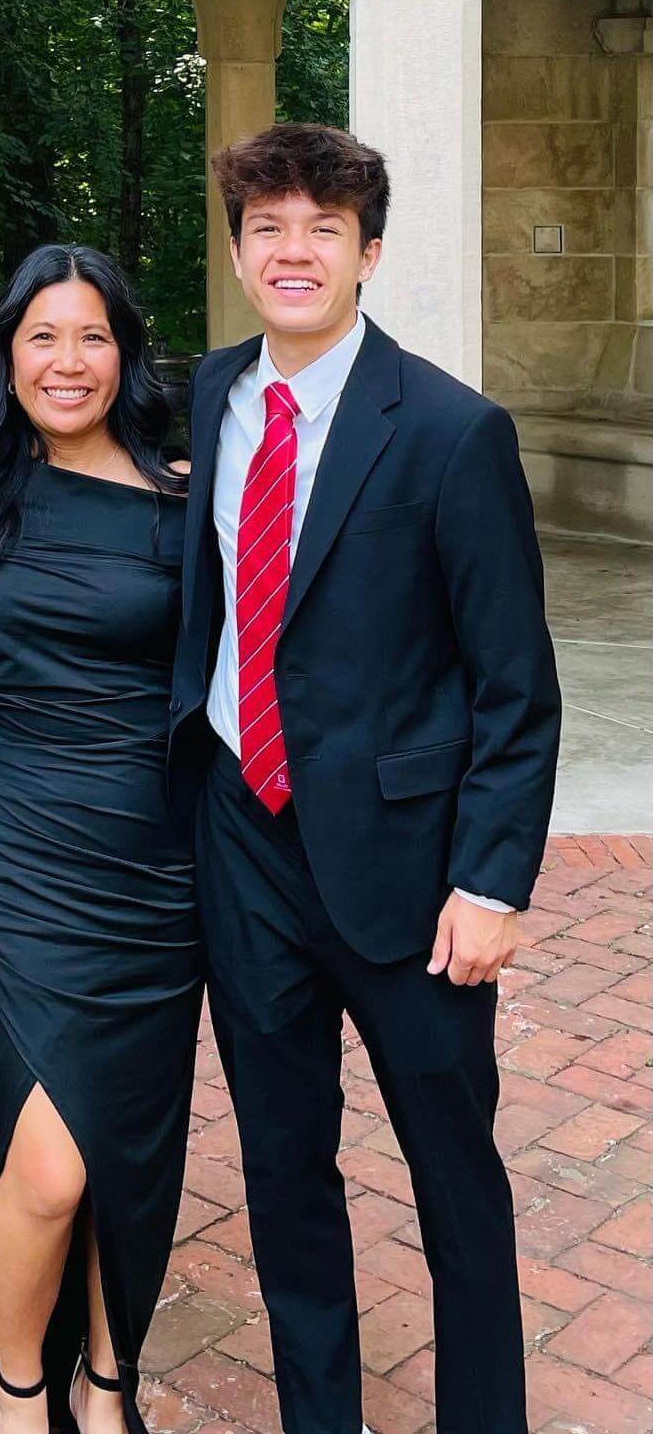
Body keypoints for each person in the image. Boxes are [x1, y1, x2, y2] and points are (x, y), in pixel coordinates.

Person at [171, 123, 561, 1434]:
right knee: (285, 1176)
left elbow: (515, 685)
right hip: (243, 846)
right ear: (235, 251)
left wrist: (490, 879)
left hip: (407, 878)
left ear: (368, 255)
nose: (293, 252)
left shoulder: (452, 433)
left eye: (321, 231)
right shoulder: (205, 398)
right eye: (268, 228)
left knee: (457, 1185)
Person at [0, 246, 202, 1434]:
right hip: (26, 862)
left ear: (125, 350)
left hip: (158, 868)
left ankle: (107, 1384)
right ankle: (17, 1390)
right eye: (42, 336)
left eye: (91, 336)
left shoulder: (183, 500)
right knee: (48, 1166)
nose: (68, 361)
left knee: (133, 1150)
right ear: (7, 352)